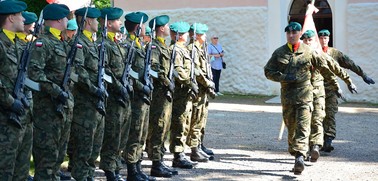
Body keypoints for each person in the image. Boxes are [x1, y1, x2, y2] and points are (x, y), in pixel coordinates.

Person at [264, 22, 339, 175]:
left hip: (306, 97)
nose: (291, 35)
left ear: (299, 34)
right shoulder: (279, 53)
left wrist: (337, 85)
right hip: (288, 99)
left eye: (294, 33)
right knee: (291, 128)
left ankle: (299, 156)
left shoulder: (309, 52)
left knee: (304, 126)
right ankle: (296, 152)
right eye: (288, 33)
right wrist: (283, 77)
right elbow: (268, 71)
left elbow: (325, 69)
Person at [27, 3, 83, 180]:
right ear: (59, 19)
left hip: (63, 107)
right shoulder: (43, 43)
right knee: (47, 158)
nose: (69, 20)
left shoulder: (62, 42)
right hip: (48, 109)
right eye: (66, 17)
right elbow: (34, 72)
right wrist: (56, 91)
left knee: (58, 156)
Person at [300, 30, 356, 162]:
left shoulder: (322, 54)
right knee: (304, 121)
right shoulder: (297, 55)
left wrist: (348, 82)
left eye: (310, 40)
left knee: (320, 118)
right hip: (302, 94)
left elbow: (335, 70)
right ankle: (305, 148)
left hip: (321, 92)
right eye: (305, 40)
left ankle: (318, 145)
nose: (308, 42)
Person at [318, 29, 375, 152]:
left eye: (325, 38)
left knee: (330, 114)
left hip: (331, 90)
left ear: (328, 39)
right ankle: (316, 142)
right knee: (316, 116)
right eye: (321, 38)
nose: (323, 40)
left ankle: (328, 140)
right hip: (315, 90)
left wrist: (363, 75)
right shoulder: (314, 52)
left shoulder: (335, 53)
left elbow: (350, 64)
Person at [69, 7, 106, 181]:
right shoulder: (78, 43)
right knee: (83, 146)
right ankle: (81, 177)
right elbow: (79, 72)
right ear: (88, 21)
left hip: (96, 103)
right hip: (85, 104)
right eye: (96, 20)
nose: (98, 23)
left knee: (94, 147)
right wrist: (94, 89)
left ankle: (89, 176)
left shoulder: (91, 42)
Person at [122, 11, 156, 181]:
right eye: (142, 25)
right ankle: (131, 170)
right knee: (134, 134)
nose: (144, 28)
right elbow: (129, 73)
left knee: (141, 133)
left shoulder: (139, 44)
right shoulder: (128, 45)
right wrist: (142, 86)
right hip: (135, 96)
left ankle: (138, 167)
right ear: (136, 27)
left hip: (143, 96)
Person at [97, 7, 129, 180]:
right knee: (112, 135)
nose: (120, 23)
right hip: (112, 96)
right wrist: (119, 87)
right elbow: (105, 71)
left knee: (120, 135)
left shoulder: (115, 43)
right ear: (109, 23)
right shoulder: (103, 44)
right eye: (117, 21)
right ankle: (109, 170)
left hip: (120, 96)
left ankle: (116, 166)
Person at [145, 14, 178, 178]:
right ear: (161, 28)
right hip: (159, 93)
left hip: (166, 95)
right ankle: (155, 164)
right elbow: (153, 69)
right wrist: (167, 81)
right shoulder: (154, 47)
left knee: (164, 127)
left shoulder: (164, 46)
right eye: (167, 26)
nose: (168, 28)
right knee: (158, 127)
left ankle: (160, 160)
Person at [0, 1, 30, 180]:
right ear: (11, 17)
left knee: (21, 171)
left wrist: (25, 97)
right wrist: (12, 102)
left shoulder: (18, 45)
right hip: (4, 120)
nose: (24, 19)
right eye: (21, 15)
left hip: (22, 119)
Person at [169, 21, 199, 169]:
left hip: (185, 92)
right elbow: (177, 70)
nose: (188, 35)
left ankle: (181, 153)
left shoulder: (183, 49)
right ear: (179, 35)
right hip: (179, 93)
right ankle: (177, 155)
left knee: (185, 123)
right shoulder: (176, 50)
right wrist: (189, 82)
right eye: (186, 33)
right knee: (179, 124)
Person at [186, 23, 215, 163]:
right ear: (197, 35)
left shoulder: (200, 48)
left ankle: (199, 145)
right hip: (198, 89)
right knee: (196, 119)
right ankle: (194, 149)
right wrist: (207, 83)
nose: (205, 36)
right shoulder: (192, 49)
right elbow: (196, 71)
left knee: (201, 119)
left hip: (203, 90)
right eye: (203, 34)